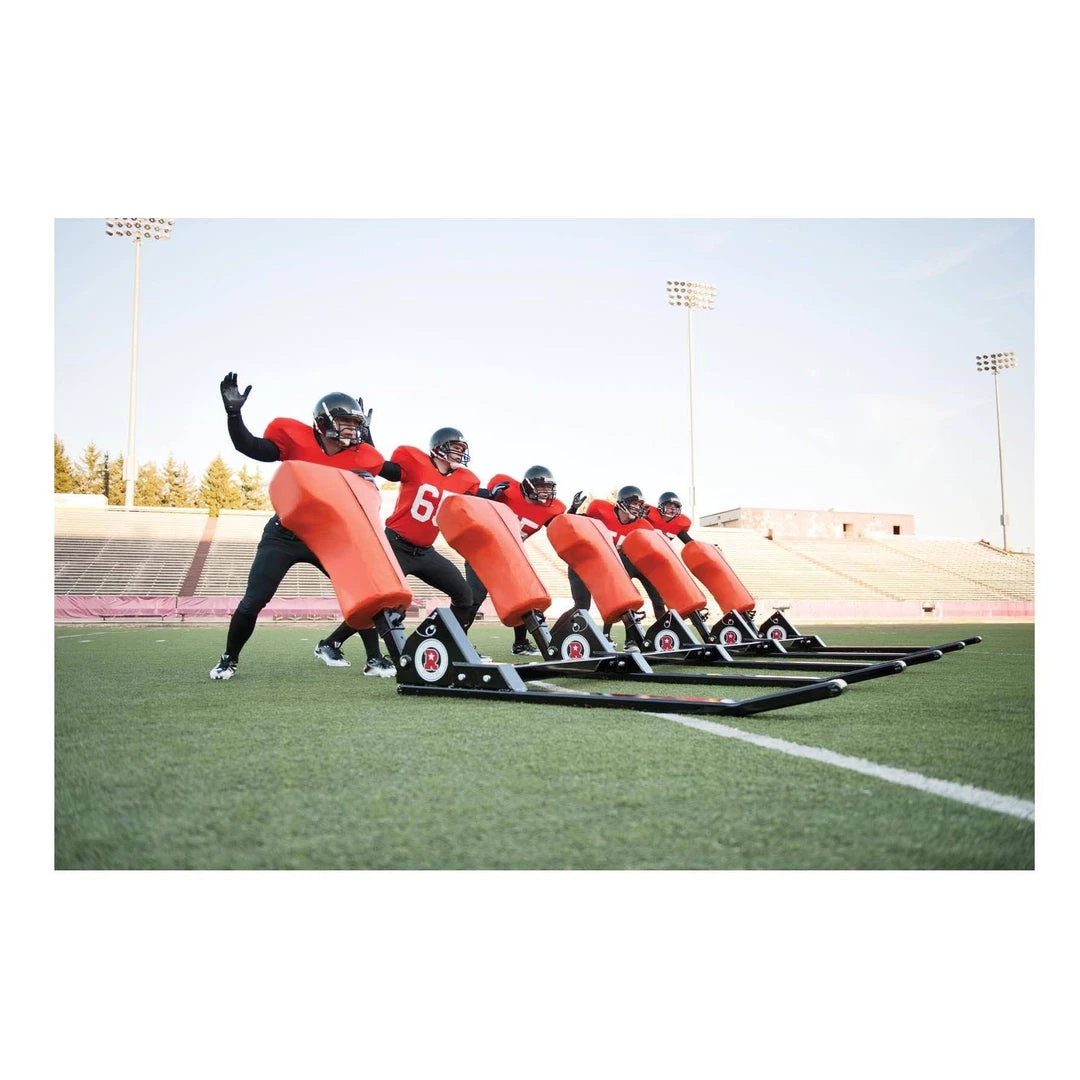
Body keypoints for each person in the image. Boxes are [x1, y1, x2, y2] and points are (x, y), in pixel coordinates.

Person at [209, 372, 394, 681]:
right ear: (323, 423)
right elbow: (250, 446)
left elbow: (382, 468)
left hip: (327, 539)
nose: (352, 430)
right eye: (346, 422)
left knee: (364, 593)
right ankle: (229, 658)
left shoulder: (361, 456)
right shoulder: (295, 439)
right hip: (285, 533)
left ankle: (374, 659)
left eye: (355, 424)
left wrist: (369, 436)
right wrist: (234, 415)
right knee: (254, 599)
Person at [320, 426, 487, 658]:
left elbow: (478, 498)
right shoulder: (415, 463)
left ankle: (450, 644)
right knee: (380, 604)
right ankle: (331, 642)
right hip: (395, 545)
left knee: (464, 596)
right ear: (438, 448)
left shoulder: (464, 480)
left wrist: (497, 496)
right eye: (455, 448)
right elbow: (383, 467)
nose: (459, 453)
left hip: (426, 552)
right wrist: (367, 437)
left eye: (462, 449)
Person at [463, 465, 586, 655]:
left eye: (548, 488)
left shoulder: (549, 509)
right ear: (528, 486)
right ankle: (459, 643)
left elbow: (558, 526)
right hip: (483, 552)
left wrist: (573, 510)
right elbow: (466, 497)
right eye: (541, 487)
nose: (546, 492)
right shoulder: (507, 492)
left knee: (523, 598)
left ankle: (520, 644)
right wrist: (488, 495)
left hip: (510, 556)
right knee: (473, 599)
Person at [566, 484, 667, 648]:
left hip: (611, 567)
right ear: (621, 503)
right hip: (586, 562)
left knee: (626, 601)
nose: (637, 508)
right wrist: (573, 508)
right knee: (582, 605)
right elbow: (570, 522)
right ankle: (559, 635)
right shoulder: (600, 513)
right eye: (634, 503)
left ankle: (631, 640)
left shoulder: (643, 525)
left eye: (639, 504)